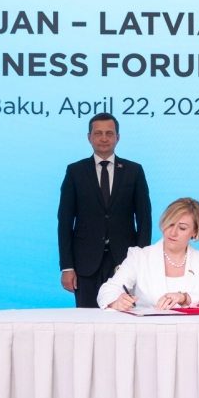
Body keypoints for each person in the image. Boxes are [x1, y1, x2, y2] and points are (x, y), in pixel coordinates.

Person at [58, 113, 152, 308]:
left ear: (118, 137)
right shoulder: (75, 171)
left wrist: (142, 263)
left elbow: (144, 220)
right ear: (89, 137)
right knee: (87, 319)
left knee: (126, 317)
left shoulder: (134, 171)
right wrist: (67, 266)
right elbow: (65, 222)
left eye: (109, 133)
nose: (104, 138)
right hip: (85, 262)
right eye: (98, 133)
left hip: (125, 261)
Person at [98, 198, 199, 311]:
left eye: (182, 228)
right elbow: (107, 291)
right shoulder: (139, 257)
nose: (173, 233)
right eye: (170, 224)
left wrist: (185, 297)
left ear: (195, 232)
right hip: (147, 330)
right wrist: (116, 302)